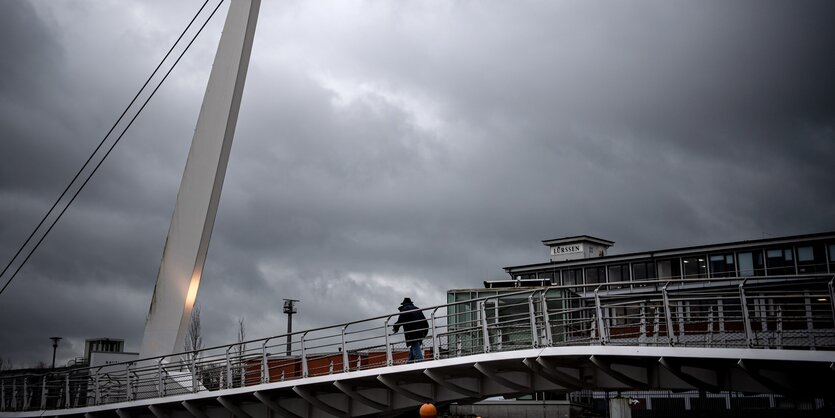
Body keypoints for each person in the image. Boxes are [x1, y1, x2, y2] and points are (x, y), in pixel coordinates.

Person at [392, 298, 429, 363]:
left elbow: (400, 321)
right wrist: (424, 332)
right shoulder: (417, 309)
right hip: (421, 331)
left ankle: (420, 362)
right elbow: (424, 321)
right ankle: (409, 362)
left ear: (403, 304)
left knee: (415, 346)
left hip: (412, 332)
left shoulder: (405, 309)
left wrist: (395, 327)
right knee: (414, 346)